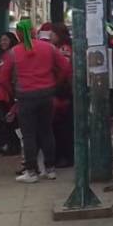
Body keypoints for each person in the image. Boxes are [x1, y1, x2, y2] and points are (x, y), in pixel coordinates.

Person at [2, 19, 70, 183]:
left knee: (29, 134)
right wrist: (56, 83)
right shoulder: (49, 48)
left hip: (25, 96)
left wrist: (13, 92)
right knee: (46, 131)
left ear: (18, 34)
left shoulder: (13, 53)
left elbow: (3, 77)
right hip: (47, 94)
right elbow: (65, 67)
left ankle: (31, 171)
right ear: (34, 32)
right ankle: (50, 168)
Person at [48, 23, 75, 168]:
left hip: (63, 91)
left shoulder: (63, 49)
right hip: (63, 90)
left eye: (52, 34)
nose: (50, 36)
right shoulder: (59, 48)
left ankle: (65, 156)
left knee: (62, 127)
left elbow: (64, 70)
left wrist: (56, 85)